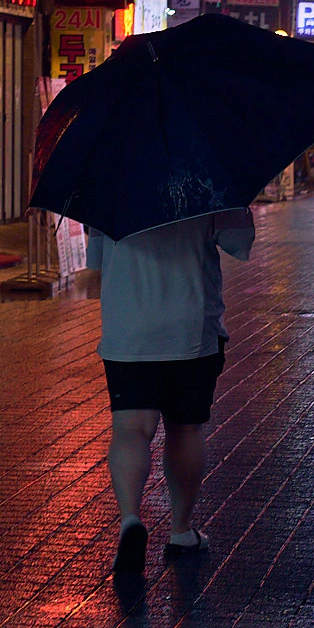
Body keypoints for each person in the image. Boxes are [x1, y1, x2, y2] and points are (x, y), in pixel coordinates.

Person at [87, 208, 255, 577]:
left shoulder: (108, 177)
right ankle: (181, 530)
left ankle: (131, 517)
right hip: (191, 326)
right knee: (185, 428)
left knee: (131, 429)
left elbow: (96, 259)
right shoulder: (205, 176)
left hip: (127, 327)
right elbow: (239, 243)